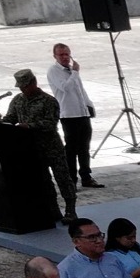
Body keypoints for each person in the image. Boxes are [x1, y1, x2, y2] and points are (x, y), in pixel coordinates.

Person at [4, 68, 72, 219]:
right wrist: (0, 123)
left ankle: (70, 210)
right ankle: (53, 210)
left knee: (63, 179)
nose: (23, 90)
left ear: (34, 82)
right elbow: (11, 117)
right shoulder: (18, 100)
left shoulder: (48, 101)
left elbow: (51, 123)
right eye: (21, 87)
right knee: (44, 181)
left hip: (51, 147)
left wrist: (29, 126)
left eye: (25, 86)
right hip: (32, 149)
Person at [42, 42, 98, 192]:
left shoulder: (72, 70)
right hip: (69, 115)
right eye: (61, 55)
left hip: (82, 112)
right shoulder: (54, 71)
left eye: (67, 54)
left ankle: (86, 176)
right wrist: (75, 73)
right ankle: (71, 179)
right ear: (55, 56)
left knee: (84, 147)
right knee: (71, 149)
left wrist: (89, 105)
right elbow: (65, 88)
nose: (65, 57)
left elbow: (80, 90)